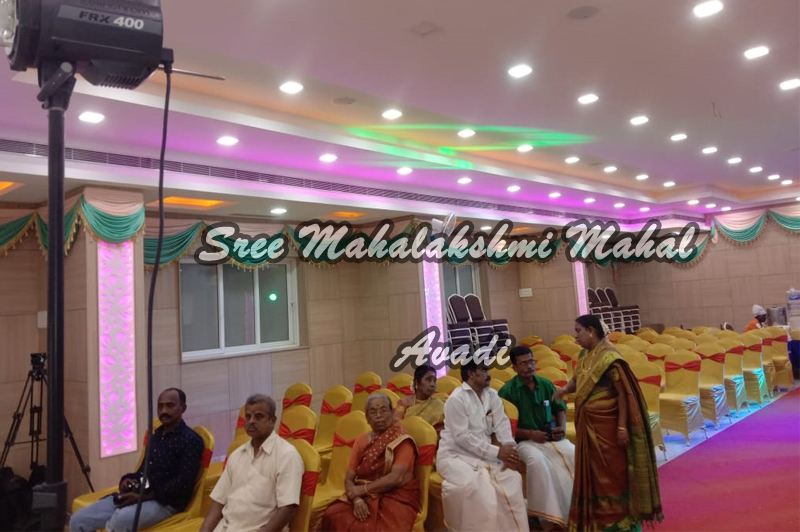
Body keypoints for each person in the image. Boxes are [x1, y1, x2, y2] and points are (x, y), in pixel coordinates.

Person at [553, 315, 662, 532]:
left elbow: (623, 394)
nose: (576, 337)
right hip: (588, 429)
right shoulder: (585, 356)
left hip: (609, 430)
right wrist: (564, 390)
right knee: (593, 476)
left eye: (578, 331)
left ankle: (619, 520)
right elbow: (577, 380)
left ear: (591, 331)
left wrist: (622, 427)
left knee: (612, 475)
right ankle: (597, 520)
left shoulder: (610, 357)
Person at [70, 388, 204, 532]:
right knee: (78, 520)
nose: (164, 410)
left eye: (170, 406)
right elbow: (144, 471)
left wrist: (144, 497)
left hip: (166, 502)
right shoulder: (156, 436)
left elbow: (183, 484)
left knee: (120, 520)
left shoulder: (191, 441)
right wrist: (128, 481)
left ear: (182, 408)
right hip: (142, 493)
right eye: (160, 406)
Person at [436, 359, 529, 532]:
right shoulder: (456, 399)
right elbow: (462, 437)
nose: (489, 374)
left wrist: (511, 452)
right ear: (471, 374)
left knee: (512, 478)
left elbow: (502, 425)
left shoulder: (492, 395)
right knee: (481, 490)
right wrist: (497, 452)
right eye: (484, 370)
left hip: (485, 455)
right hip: (455, 456)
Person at [199, 394, 303, 532]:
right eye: (248, 417)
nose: (251, 421)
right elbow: (218, 502)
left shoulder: (287, 456)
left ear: (272, 420)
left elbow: (288, 508)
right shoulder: (237, 455)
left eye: (259, 417)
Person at [499, 346, 574, 531]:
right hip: (524, 442)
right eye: (523, 363)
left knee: (574, 453)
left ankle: (574, 509)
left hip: (550, 438)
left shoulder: (545, 384)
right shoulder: (507, 392)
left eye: (531, 361)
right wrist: (530, 434)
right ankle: (540, 516)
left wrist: (561, 428)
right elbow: (504, 429)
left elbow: (560, 409)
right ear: (514, 367)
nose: (529, 366)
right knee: (537, 462)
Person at [322, 393, 420, 532]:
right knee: (331, 515)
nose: (379, 416)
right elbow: (349, 478)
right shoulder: (361, 440)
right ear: (367, 418)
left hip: (394, 497)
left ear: (392, 413)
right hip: (363, 495)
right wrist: (356, 499)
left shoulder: (401, 439)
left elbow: (395, 478)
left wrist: (361, 490)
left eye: (383, 410)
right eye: (373, 412)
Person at [394, 365, 445, 434]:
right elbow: (396, 427)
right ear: (416, 382)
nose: (432, 384)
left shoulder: (439, 405)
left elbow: (442, 431)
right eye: (428, 380)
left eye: (434, 381)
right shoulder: (404, 403)